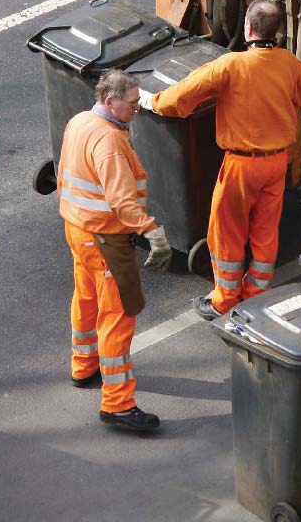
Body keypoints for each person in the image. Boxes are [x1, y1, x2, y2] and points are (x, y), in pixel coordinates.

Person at [140, 0, 301, 321]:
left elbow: (184, 95)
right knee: (265, 231)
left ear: (247, 28)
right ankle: (256, 292)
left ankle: (225, 299)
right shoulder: (288, 64)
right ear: (279, 33)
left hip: (241, 166)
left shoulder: (231, 66)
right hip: (275, 164)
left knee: (226, 230)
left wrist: (153, 101)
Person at [57, 69, 172, 433]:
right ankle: (118, 404)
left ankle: (84, 365)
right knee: (118, 315)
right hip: (106, 238)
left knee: (86, 297)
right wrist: (151, 231)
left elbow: (65, 173)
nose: (137, 109)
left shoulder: (79, 121)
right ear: (110, 102)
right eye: (133, 103)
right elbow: (122, 201)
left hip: (78, 230)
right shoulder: (109, 143)